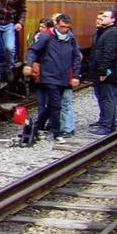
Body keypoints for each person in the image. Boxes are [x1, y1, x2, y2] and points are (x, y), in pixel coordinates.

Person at [23, 14, 81, 144]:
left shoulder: (70, 38)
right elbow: (33, 50)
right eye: (62, 27)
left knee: (52, 105)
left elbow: (76, 57)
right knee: (56, 104)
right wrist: (28, 65)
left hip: (64, 77)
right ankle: (56, 133)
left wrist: (76, 75)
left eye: (67, 27)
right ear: (56, 24)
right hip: (49, 76)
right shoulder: (46, 36)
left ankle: (37, 126)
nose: (64, 30)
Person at [88, 10, 117, 135]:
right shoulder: (104, 31)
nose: (101, 18)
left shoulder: (112, 33)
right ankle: (105, 122)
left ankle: (108, 125)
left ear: (113, 19)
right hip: (102, 71)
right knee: (103, 97)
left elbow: (109, 53)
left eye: (105, 16)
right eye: (101, 16)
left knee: (108, 98)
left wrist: (103, 71)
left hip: (107, 73)